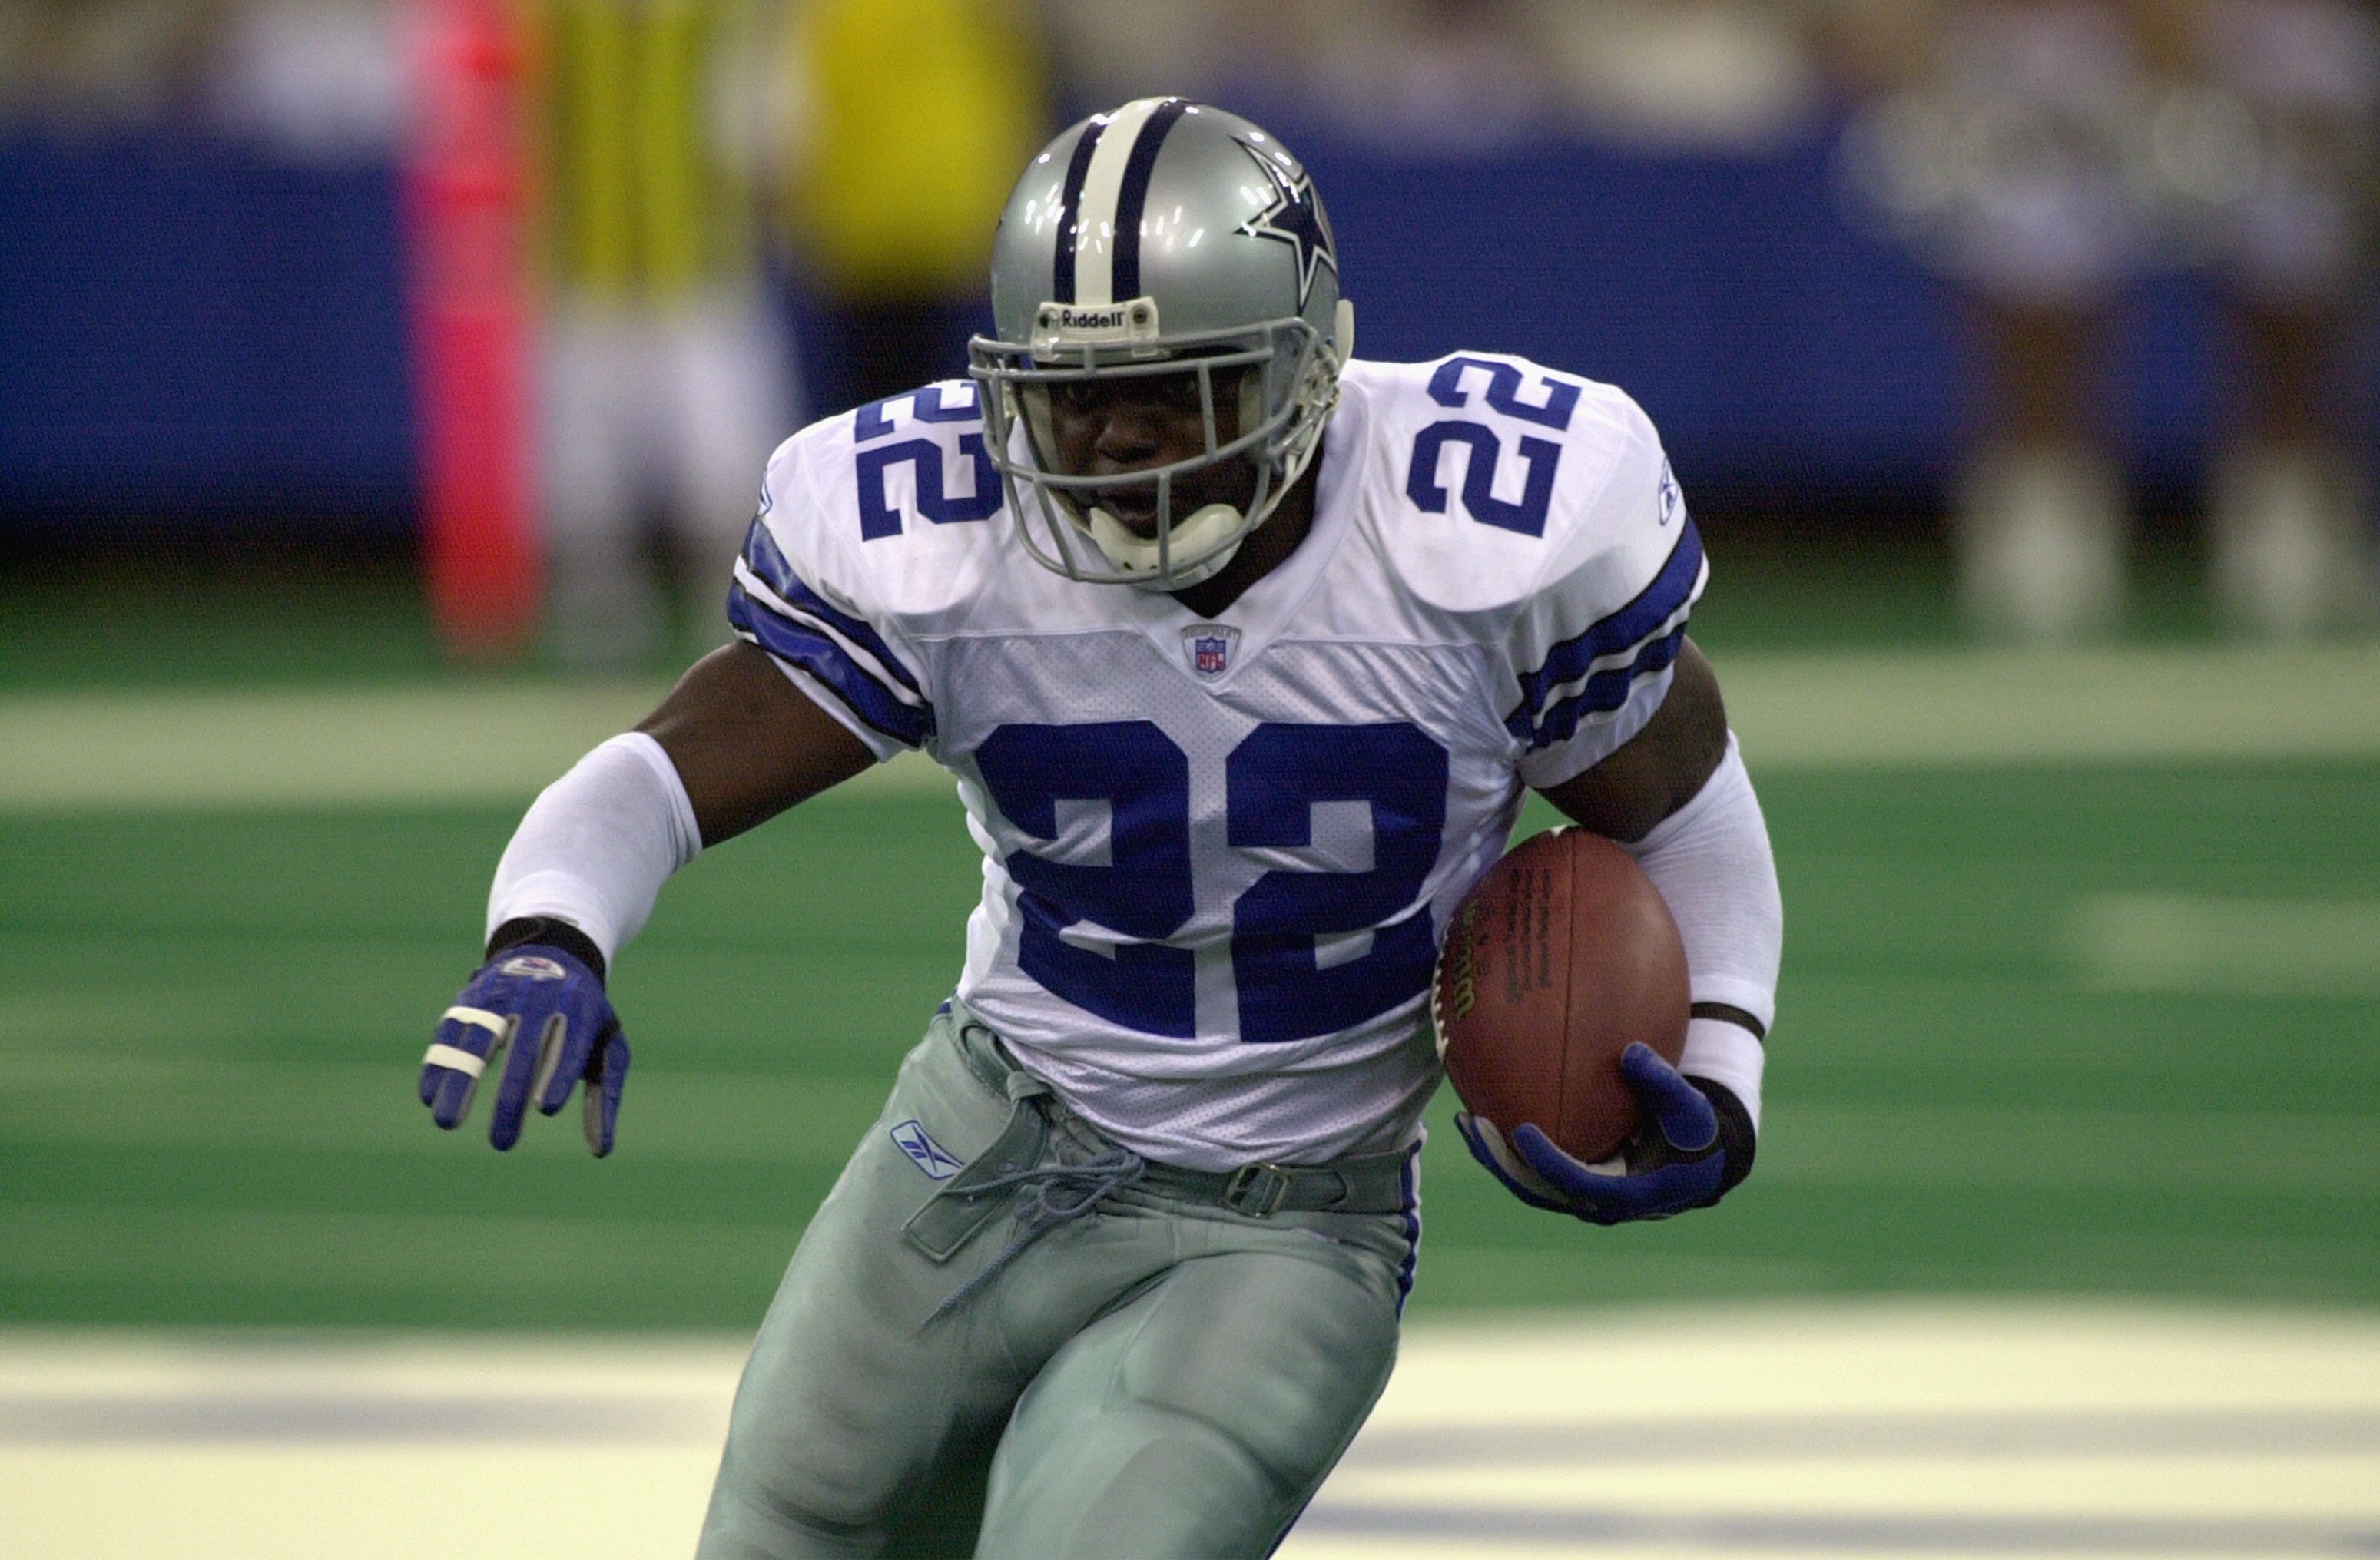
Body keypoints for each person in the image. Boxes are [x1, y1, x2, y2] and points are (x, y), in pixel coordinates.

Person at [418, 98, 1784, 1558]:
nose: (1115, 437)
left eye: (1175, 389)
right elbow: (659, 775)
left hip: (1288, 1220)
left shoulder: (1480, 532)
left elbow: (1690, 818)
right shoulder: (939, 534)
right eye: (1074, 395)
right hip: (981, 1142)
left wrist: (1721, 1061)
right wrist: (551, 931)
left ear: (1304, 368)